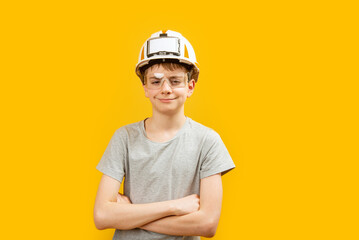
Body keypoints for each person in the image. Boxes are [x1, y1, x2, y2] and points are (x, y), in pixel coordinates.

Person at [93, 30, 236, 239]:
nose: (166, 88)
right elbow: (102, 216)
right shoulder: (124, 138)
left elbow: (207, 224)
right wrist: (175, 207)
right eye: (156, 81)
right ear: (145, 87)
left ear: (190, 86)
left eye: (175, 81)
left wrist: (129, 214)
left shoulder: (208, 141)